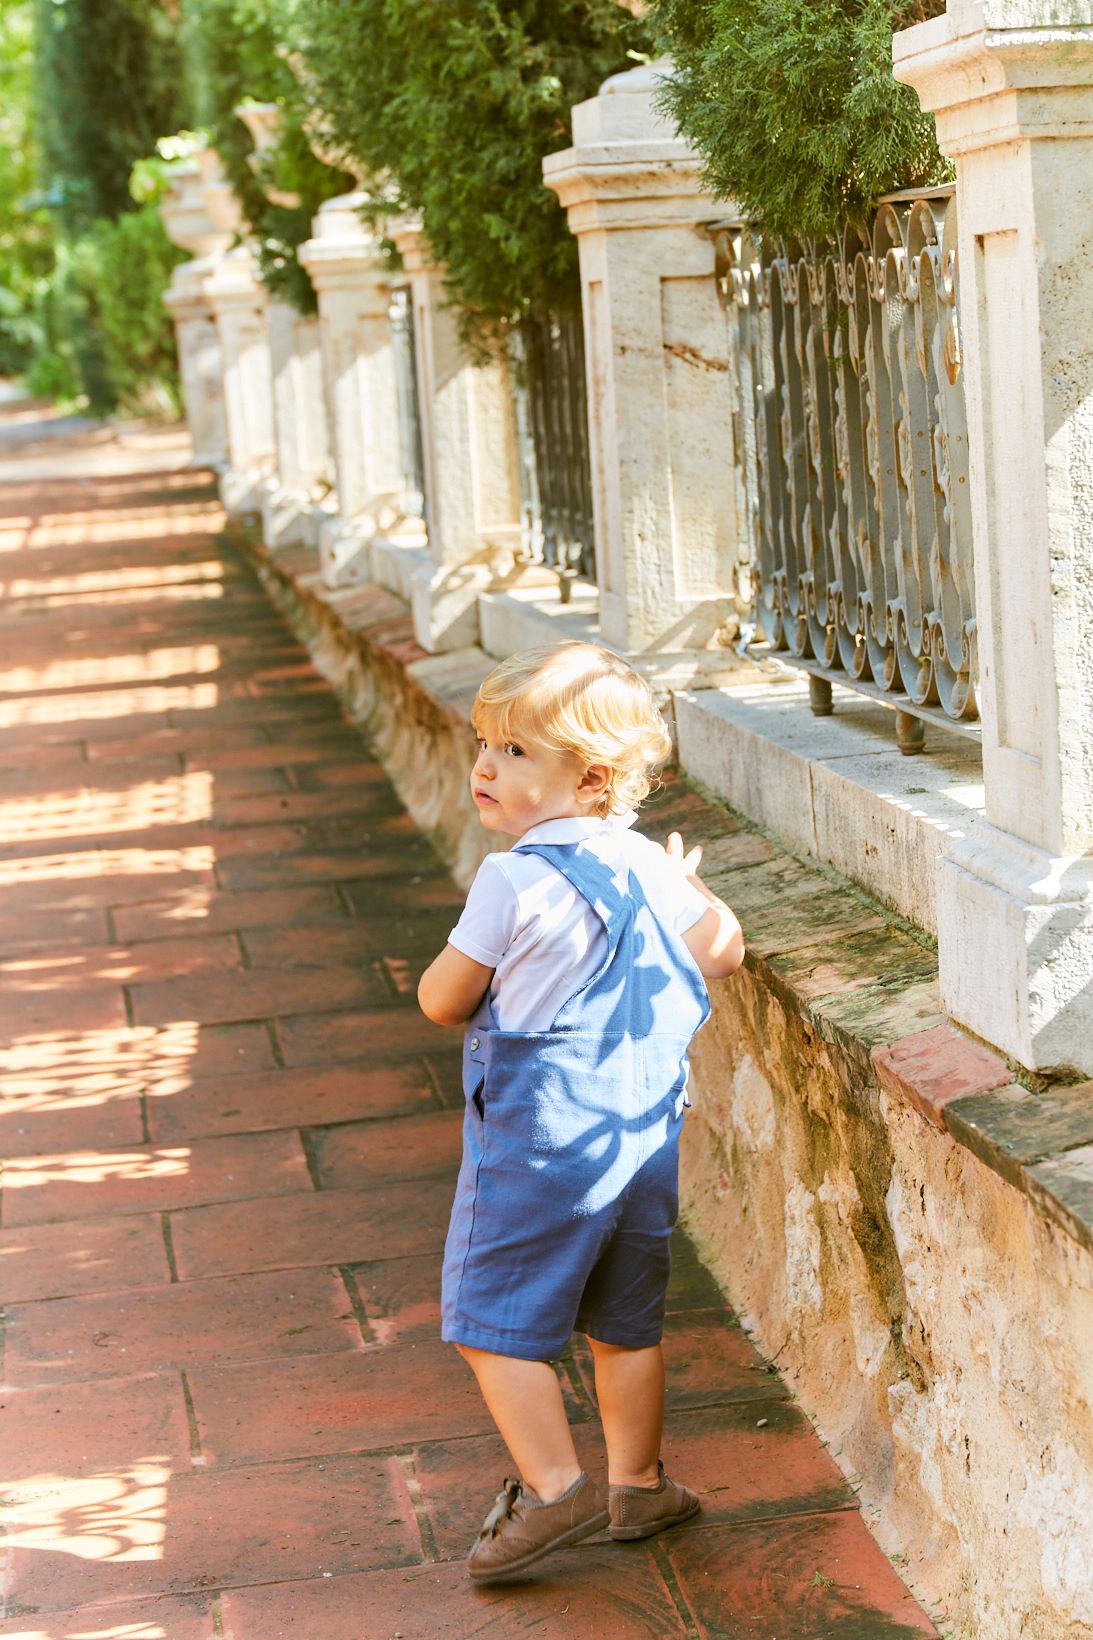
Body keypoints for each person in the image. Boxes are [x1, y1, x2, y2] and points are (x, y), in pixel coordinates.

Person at [417, 640, 744, 1582]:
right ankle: (636, 1485)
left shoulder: (509, 880)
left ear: (590, 776)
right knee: (625, 1322)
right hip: (639, 1139)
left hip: (537, 1143)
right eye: (484, 743)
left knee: (487, 1322)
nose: (484, 764)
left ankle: (554, 1486)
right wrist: (686, 885)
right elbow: (721, 951)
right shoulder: (644, 861)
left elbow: (445, 999)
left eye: (515, 751)